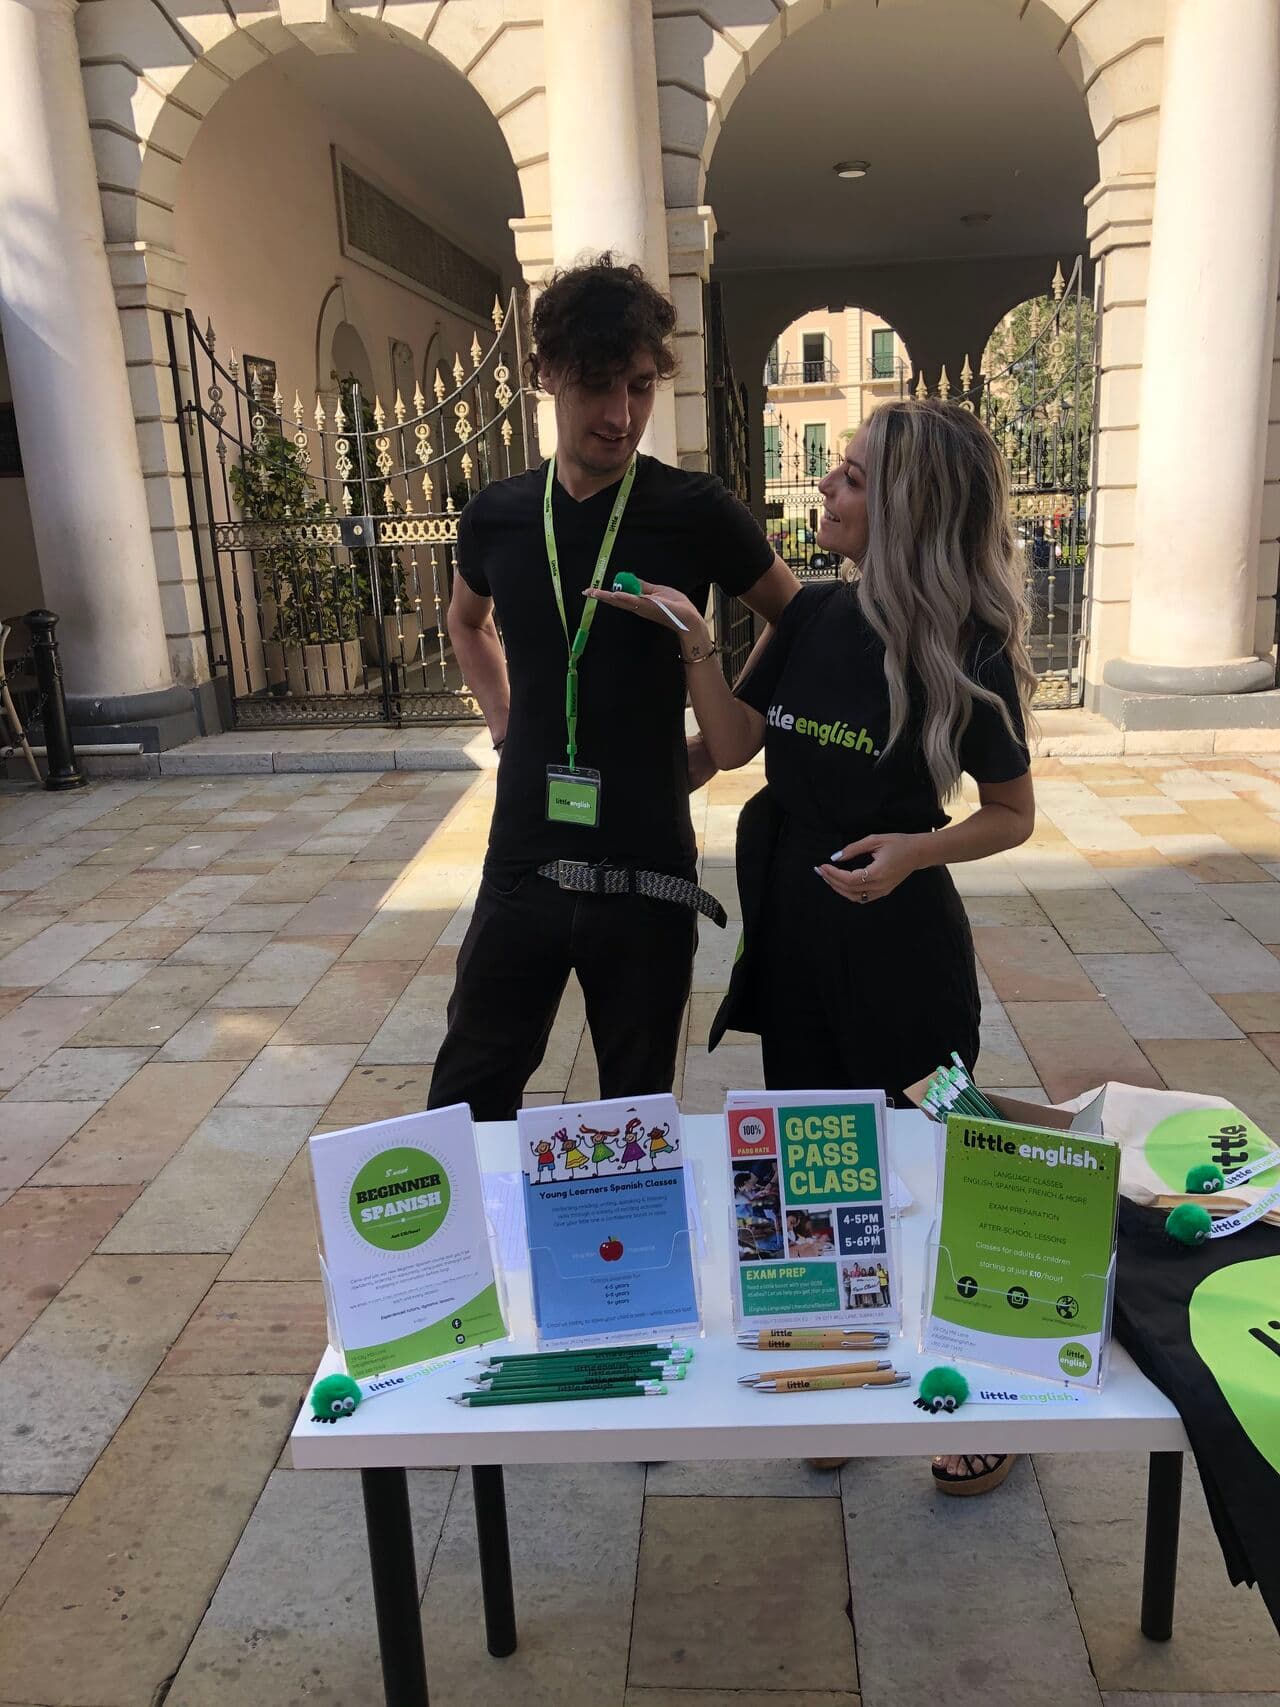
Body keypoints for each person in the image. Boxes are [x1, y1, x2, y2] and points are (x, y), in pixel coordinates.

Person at [588, 398, 1037, 1497]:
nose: (824, 491)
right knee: (809, 1152)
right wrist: (695, 643)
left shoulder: (961, 643)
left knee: (919, 1154)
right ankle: (833, 1362)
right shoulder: (813, 618)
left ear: (902, 504)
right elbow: (735, 745)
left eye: (845, 476)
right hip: (792, 929)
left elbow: (1011, 814)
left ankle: (988, 1376)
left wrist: (915, 850)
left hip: (900, 946)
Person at [426, 256, 797, 1122]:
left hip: (645, 862)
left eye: (639, 387)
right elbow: (465, 622)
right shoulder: (500, 515)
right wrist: (509, 722)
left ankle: (621, 1257)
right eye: (598, 387)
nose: (622, 415)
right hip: (523, 855)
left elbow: (800, 619)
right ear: (547, 374)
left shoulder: (695, 509)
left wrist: (715, 737)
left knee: (633, 1109)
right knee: (470, 1091)